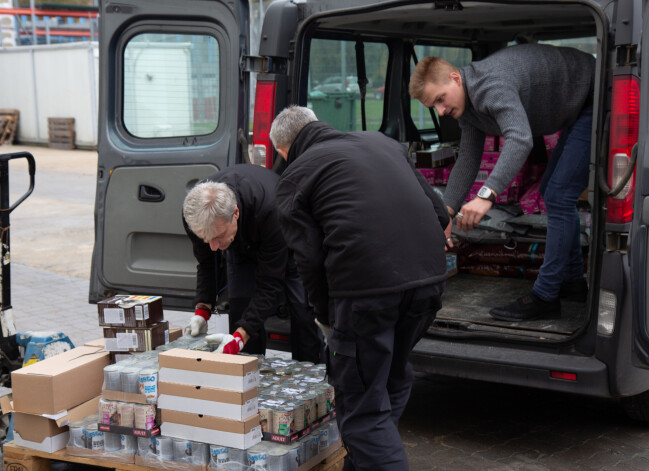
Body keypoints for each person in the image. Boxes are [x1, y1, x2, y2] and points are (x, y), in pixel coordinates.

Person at [270, 105, 449, 471]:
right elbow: (442, 214)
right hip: (429, 283)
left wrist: (325, 319)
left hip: (366, 295)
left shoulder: (296, 175)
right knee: (392, 377)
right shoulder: (384, 144)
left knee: (361, 409)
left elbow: (309, 260)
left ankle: (378, 455)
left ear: (284, 150)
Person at [409, 43, 595, 321]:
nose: (440, 111)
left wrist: (486, 195)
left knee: (558, 195)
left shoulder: (490, 85)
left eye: (440, 99)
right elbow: (469, 158)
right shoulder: (467, 106)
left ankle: (546, 296)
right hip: (575, 107)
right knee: (550, 191)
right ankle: (572, 282)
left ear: (455, 79)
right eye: (433, 106)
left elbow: (520, 138)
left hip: (594, 96)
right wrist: (445, 214)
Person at [182, 164, 323, 362]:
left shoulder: (272, 211)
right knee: (240, 308)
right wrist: (202, 309)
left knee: (303, 314)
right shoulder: (193, 215)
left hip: (286, 244)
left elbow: (270, 282)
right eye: (206, 239)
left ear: (236, 213)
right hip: (241, 246)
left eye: (218, 236)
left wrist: (242, 335)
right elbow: (207, 263)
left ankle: (312, 378)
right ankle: (250, 376)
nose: (213, 246)